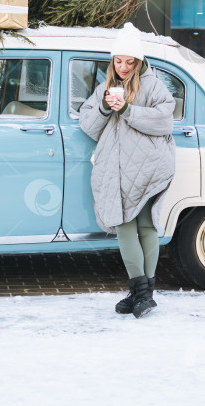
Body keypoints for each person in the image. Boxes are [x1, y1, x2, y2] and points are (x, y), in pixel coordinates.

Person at [78, 22, 177, 318]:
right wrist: (107, 108)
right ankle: (142, 294)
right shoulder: (107, 86)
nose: (123, 66)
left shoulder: (153, 84)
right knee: (127, 226)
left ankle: (140, 292)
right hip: (120, 167)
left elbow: (164, 120)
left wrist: (127, 110)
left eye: (129, 61)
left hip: (148, 165)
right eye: (118, 60)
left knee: (140, 226)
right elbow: (88, 124)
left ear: (139, 61)